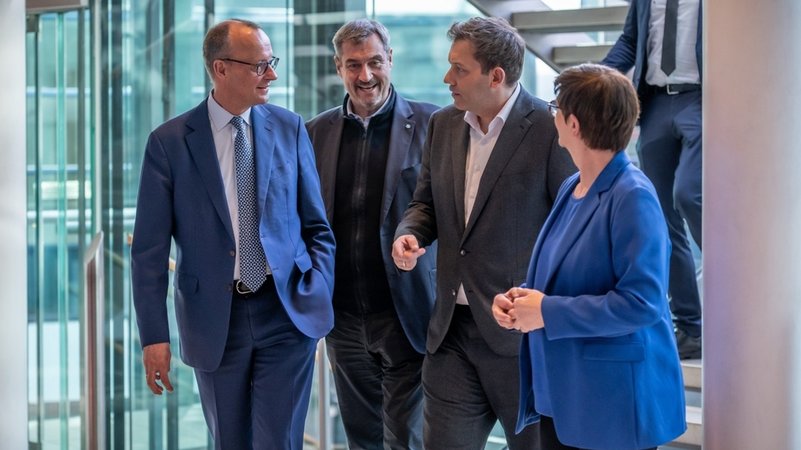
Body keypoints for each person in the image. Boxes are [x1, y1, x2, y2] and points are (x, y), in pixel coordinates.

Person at [130, 19, 335, 449]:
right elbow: (149, 252)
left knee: (280, 441)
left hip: (286, 311)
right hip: (214, 321)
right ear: (221, 69)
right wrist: (154, 336)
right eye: (260, 65)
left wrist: (317, 286)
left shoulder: (290, 127)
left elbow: (316, 225)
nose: (271, 74)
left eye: (272, 63)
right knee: (231, 440)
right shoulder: (169, 143)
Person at [392, 17, 575, 450]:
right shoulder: (443, 124)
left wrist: (545, 305)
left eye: (459, 69)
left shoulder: (550, 129)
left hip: (521, 337)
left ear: (495, 76)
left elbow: (570, 228)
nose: (447, 78)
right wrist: (410, 233)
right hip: (449, 334)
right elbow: (425, 203)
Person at [492, 63, 686, 449]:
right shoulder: (572, 186)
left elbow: (642, 304)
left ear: (574, 124)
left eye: (556, 108)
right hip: (564, 394)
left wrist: (546, 312)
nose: (553, 116)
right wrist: (522, 301)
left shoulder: (633, 196)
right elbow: (564, 275)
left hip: (612, 403)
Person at [305, 19, 438, 449]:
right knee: (361, 438)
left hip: (406, 313)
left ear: (390, 60)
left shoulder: (433, 124)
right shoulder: (315, 133)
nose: (366, 75)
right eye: (353, 65)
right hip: (342, 318)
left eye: (375, 62)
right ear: (338, 67)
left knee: (405, 439)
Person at [602, 0, 703, 359]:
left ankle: (741, 291)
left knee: (689, 194)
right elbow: (631, 40)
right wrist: (597, 75)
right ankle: (691, 326)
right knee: (660, 216)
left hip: (702, 99)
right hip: (657, 102)